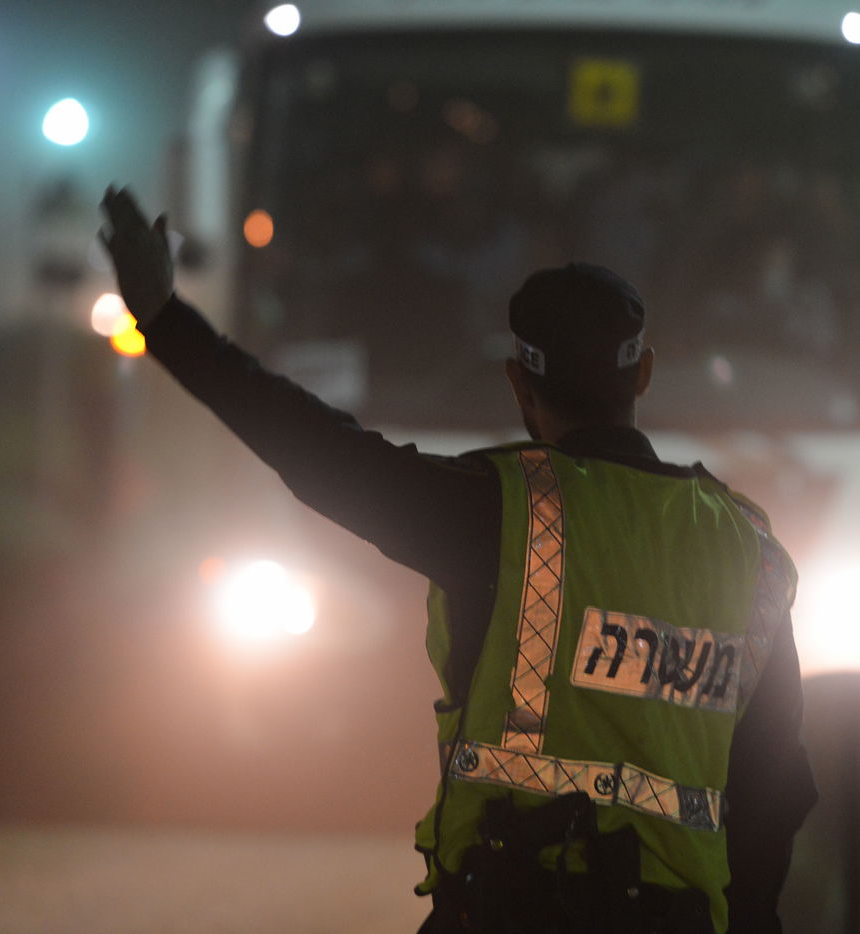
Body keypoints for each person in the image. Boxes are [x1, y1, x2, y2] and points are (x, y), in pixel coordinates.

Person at [99, 186, 816, 934]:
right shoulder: (751, 551)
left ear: (518, 382)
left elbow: (318, 449)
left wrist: (166, 322)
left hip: (515, 908)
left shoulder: (505, 513)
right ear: (642, 374)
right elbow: (778, 785)